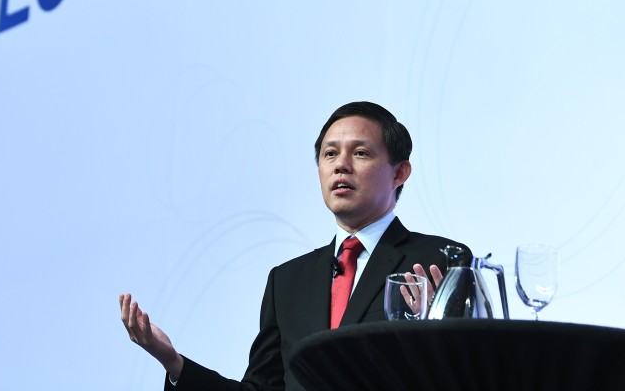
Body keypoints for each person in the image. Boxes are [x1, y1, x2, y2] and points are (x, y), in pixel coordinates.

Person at [119, 101, 470, 390]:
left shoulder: (439, 261)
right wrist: (175, 363)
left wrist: (437, 336)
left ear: (399, 173)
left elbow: (470, 374)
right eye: (330, 154)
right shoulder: (286, 282)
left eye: (360, 153)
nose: (341, 166)